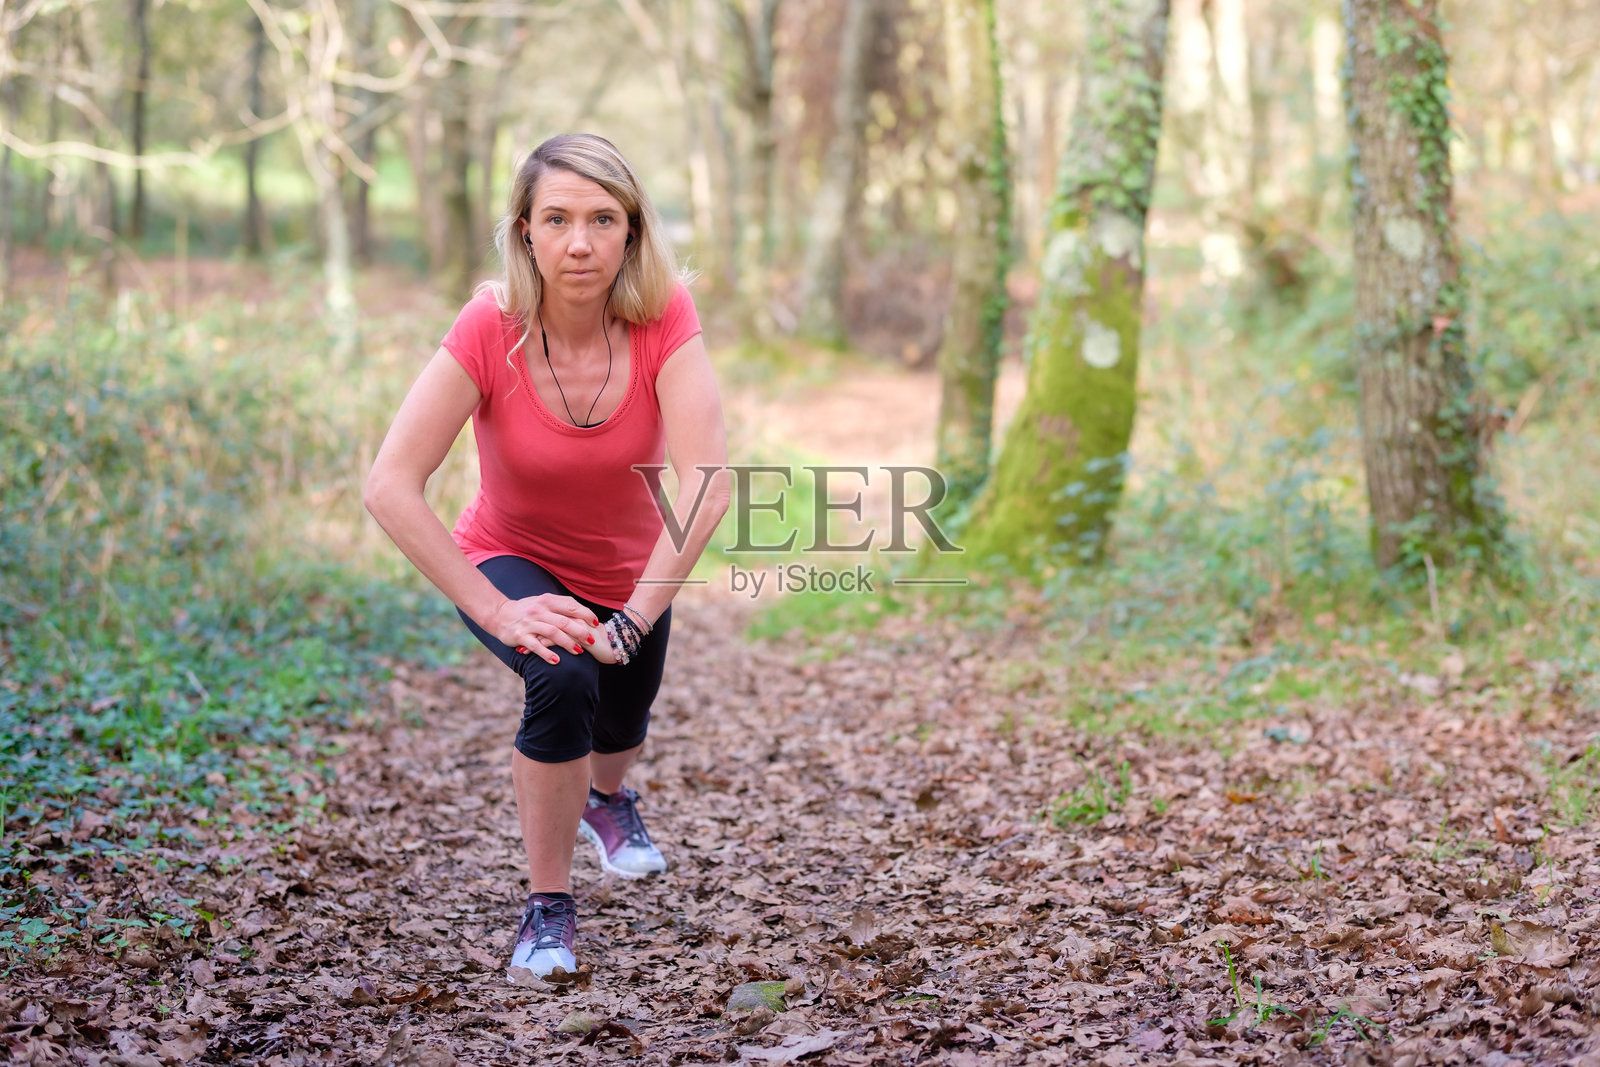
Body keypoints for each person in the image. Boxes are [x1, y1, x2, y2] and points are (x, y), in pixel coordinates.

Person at [364, 133, 730, 979]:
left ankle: (608, 799)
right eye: (557, 219)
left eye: (603, 219)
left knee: (621, 722)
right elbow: (390, 484)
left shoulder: (664, 316)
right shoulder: (489, 326)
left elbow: (707, 484)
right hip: (509, 556)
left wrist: (636, 618)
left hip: (632, 578)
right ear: (525, 231)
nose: (579, 243)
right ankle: (548, 908)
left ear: (632, 232)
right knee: (563, 678)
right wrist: (497, 609)